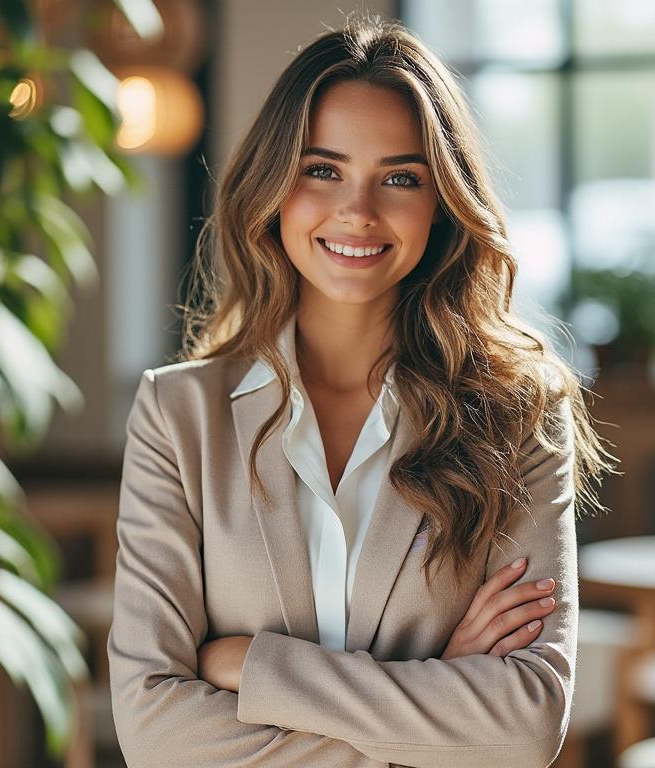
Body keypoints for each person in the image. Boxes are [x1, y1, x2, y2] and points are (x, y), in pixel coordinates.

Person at [108, 14, 616, 768]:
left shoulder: (519, 414)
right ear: (275, 186)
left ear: (442, 202)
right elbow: (154, 731)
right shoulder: (178, 416)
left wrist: (250, 669)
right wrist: (437, 692)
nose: (359, 210)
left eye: (401, 178)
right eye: (323, 169)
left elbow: (525, 726)